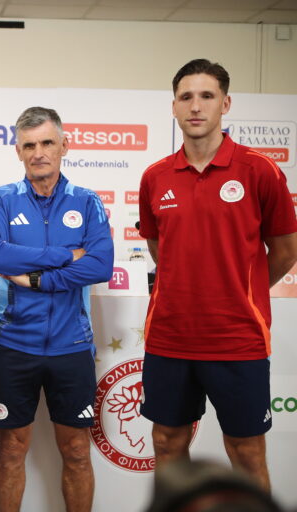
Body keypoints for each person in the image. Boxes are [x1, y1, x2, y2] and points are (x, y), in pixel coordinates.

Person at [138, 58, 297, 491]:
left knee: (246, 453)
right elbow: (159, 248)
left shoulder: (260, 170)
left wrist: (241, 292)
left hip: (237, 338)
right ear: (173, 106)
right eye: (186, 97)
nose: (196, 106)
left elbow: (285, 251)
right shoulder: (155, 177)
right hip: (170, 337)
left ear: (225, 104)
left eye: (207, 96)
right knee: (167, 442)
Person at [0, 106, 114, 512]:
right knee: (11, 448)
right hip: (13, 344)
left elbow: (100, 265)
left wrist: (38, 279)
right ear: (18, 151)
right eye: (29, 145)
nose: (38, 153)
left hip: (72, 346)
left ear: (64, 146)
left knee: (76, 450)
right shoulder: (1, 199)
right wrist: (66, 254)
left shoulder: (87, 202)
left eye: (47, 143)